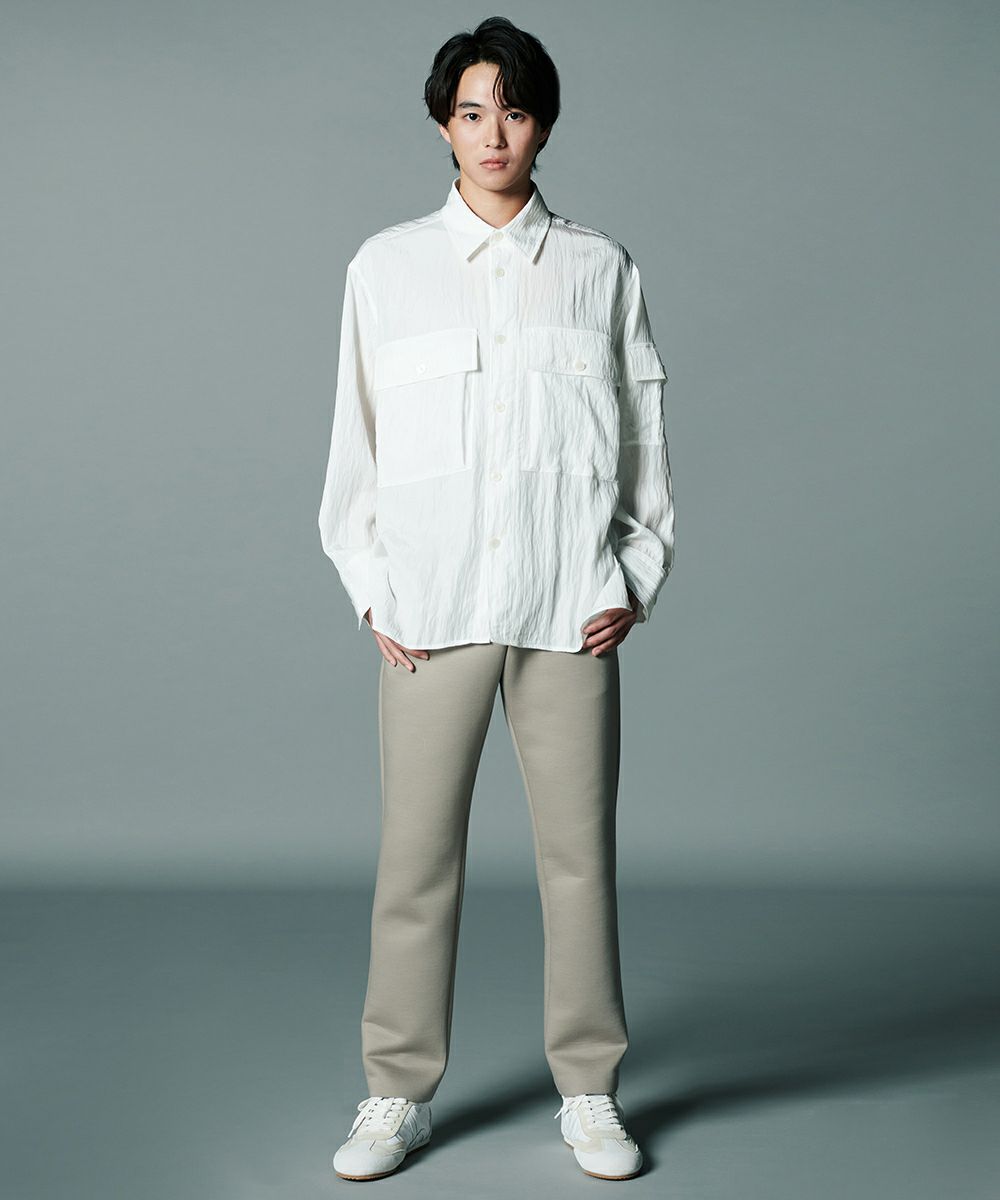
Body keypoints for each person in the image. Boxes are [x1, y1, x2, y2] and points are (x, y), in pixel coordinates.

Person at [318, 16, 674, 1183]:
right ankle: (394, 1092)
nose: (493, 134)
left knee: (578, 861)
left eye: (514, 111)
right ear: (443, 125)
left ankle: (589, 1090)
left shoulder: (599, 268)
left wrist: (635, 575)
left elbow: (642, 439)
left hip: (568, 609)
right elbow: (356, 445)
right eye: (472, 112)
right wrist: (375, 588)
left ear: (543, 125)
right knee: (415, 864)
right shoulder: (385, 269)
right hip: (429, 615)